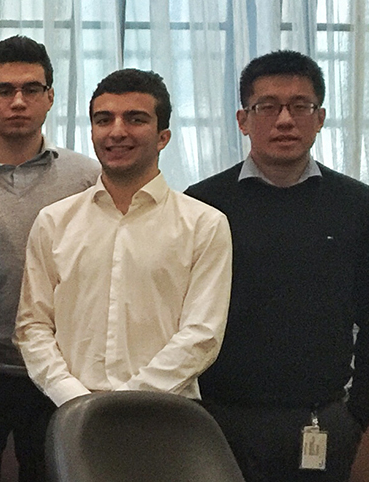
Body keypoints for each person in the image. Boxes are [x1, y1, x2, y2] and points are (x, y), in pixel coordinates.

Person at [187, 51, 369, 482]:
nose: (284, 119)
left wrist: (355, 414)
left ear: (320, 117)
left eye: (300, 106)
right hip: (217, 420)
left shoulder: (359, 206)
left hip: (322, 421)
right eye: (266, 106)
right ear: (242, 119)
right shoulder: (202, 205)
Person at [15, 69, 232, 408]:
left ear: (163, 136)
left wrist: (125, 402)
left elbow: (201, 335)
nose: (117, 131)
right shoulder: (54, 221)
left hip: (165, 413)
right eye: (104, 120)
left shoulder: (204, 224)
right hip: (69, 412)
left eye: (135, 119)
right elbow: (33, 326)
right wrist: (72, 396)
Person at [0, 36, 98, 482]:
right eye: (4, 90)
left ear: (50, 97)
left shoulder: (86, 177)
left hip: (58, 366)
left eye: (32, 89)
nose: (18, 101)